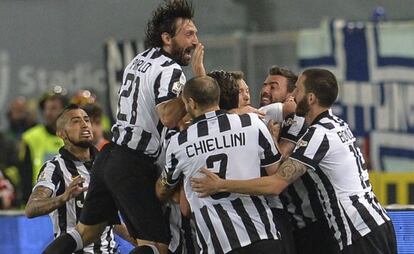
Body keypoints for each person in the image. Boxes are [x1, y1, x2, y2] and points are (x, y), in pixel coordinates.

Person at [43, 1, 202, 253]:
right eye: (189, 34)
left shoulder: (140, 58)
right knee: (157, 246)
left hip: (109, 156)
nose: (195, 41)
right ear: (167, 37)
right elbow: (169, 117)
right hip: (134, 165)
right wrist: (197, 84)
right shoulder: (170, 69)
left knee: (85, 232)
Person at [191, 68, 397, 254]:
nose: (292, 96)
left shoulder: (319, 134)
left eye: (296, 90)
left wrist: (220, 184)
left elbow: (276, 183)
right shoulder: (337, 124)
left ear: (310, 98)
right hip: (376, 221)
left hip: (357, 229)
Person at [156, 76, 283, 254]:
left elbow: (163, 190)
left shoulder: (179, 143)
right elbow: (276, 173)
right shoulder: (252, 123)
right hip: (262, 235)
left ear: (191, 103)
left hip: (218, 245)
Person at [24, 104, 127, 253]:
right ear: (61, 133)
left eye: (86, 120)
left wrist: (139, 241)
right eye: (76, 121)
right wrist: (62, 198)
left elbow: (111, 220)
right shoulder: (54, 168)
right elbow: (31, 209)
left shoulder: (106, 165)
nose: (85, 125)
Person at [20, 92, 68, 204]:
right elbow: (25, 172)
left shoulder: (72, 136)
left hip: (67, 200)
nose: (48, 113)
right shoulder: (31, 137)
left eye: (54, 108)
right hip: (39, 200)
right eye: (46, 109)